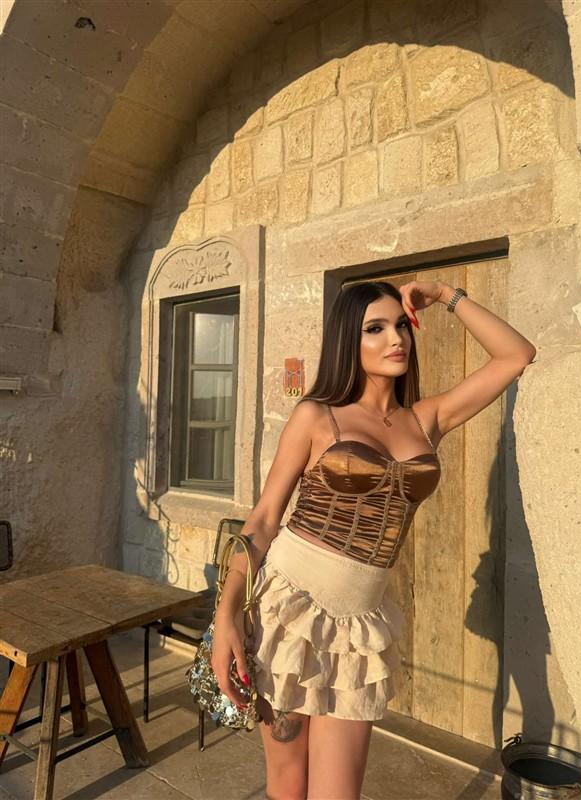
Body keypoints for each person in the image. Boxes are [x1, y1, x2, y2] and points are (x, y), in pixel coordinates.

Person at [212, 279, 536, 799]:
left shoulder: (426, 420)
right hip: (289, 611)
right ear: (349, 339)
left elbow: (516, 355)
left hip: (360, 625)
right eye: (376, 328)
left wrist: (445, 294)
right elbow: (265, 520)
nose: (396, 339)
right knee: (288, 787)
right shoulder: (317, 415)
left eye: (402, 326)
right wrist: (226, 614)